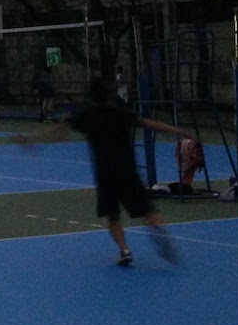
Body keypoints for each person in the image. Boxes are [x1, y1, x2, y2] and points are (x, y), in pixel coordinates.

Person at [17, 75, 191, 266]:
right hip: (127, 171)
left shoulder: (87, 115)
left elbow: (60, 130)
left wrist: (32, 139)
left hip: (105, 174)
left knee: (112, 215)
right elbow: (150, 123)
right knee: (146, 209)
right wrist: (178, 131)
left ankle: (125, 251)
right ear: (110, 94)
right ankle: (158, 229)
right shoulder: (120, 112)